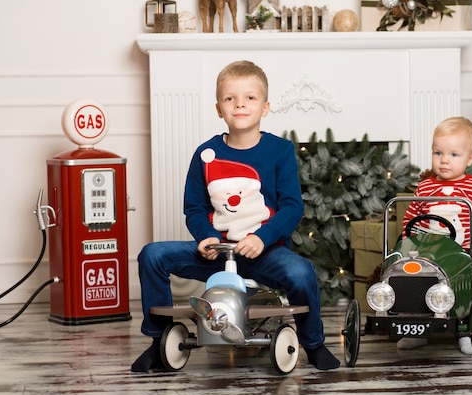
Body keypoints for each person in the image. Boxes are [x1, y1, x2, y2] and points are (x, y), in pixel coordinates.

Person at [131, 60, 340, 372]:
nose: (240, 104)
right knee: (153, 255)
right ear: (219, 108)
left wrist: (262, 238)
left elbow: (292, 207)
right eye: (230, 99)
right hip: (217, 252)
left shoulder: (280, 150)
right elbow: (195, 208)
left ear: (265, 106)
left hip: (263, 251)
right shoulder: (206, 153)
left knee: (300, 273)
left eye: (250, 98)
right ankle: (158, 339)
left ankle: (313, 342)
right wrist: (206, 237)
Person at [398, 116, 472, 353]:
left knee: (461, 283)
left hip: (462, 253)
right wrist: (407, 244)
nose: (444, 161)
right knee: (415, 281)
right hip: (427, 252)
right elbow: (411, 219)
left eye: (454, 155)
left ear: (470, 158)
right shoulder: (424, 187)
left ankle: (464, 328)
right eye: (438, 153)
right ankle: (417, 328)